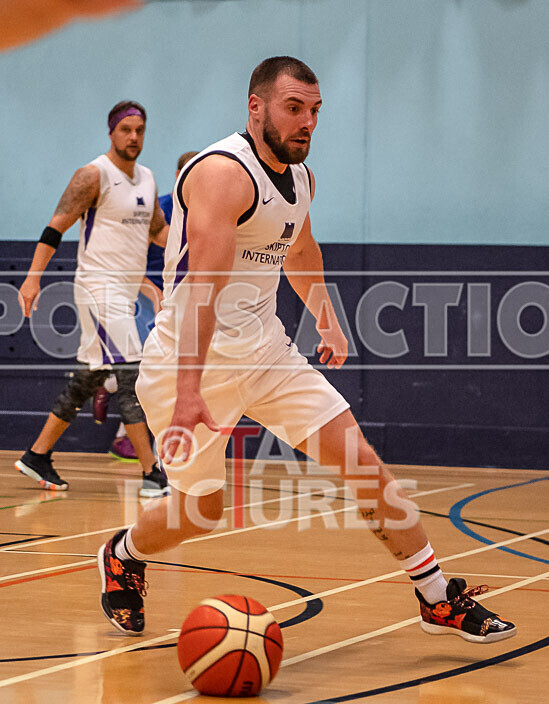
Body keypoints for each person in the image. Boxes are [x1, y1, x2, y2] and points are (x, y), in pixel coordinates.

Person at [97, 57, 516, 644]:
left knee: (359, 459)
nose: (307, 123)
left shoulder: (301, 177)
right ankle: (124, 553)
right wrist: (190, 391)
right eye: (294, 108)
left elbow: (298, 248)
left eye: (315, 111)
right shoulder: (221, 173)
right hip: (187, 363)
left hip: (266, 351)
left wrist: (327, 318)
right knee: (200, 511)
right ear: (256, 106)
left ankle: (435, 595)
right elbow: (201, 292)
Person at [15, 100, 170, 498]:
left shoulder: (148, 179)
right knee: (131, 374)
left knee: (90, 375)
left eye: (139, 130)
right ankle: (152, 473)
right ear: (111, 132)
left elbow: (158, 233)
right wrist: (32, 280)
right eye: (126, 130)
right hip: (98, 290)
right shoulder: (93, 175)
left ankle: (37, 454)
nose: (133, 137)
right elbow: (56, 227)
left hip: (125, 289)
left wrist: (200, 248)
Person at [95, 151, 200, 462]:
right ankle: (109, 387)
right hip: (141, 294)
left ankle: (110, 388)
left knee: (166, 369)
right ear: (178, 175)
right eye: (187, 175)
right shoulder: (161, 209)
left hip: (178, 298)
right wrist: (152, 292)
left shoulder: (208, 210)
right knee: (146, 366)